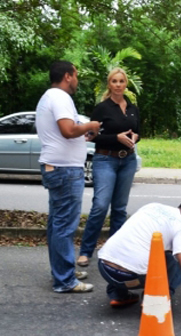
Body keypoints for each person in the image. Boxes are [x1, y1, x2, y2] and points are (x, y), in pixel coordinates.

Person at [36, 60, 101, 293]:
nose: (77, 80)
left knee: (57, 224)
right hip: (65, 170)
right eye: (76, 75)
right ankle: (65, 280)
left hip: (57, 167)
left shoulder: (48, 97)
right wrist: (90, 125)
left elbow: (64, 133)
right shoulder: (61, 97)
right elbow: (67, 130)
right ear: (67, 76)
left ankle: (62, 271)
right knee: (64, 226)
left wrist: (82, 137)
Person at [97, 198, 181, 313]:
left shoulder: (152, 206)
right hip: (132, 279)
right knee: (173, 258)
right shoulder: (180, 226)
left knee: (133, 248)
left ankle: (118, 295)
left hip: (104, 268)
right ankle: (154, 300)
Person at [77, 68, 140, 267]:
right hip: (106, 160)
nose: (118, 84)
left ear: (126, 84)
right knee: (100, 206)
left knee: (120, 209)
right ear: (109, 84)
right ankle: (86, 251)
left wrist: (135, 137)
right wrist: (116, 138)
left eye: (121, 81)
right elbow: (91, 136)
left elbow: (139, 130)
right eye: (114, 81)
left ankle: (115, 252)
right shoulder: (102, 108)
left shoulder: (132, 107)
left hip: (128, 160)